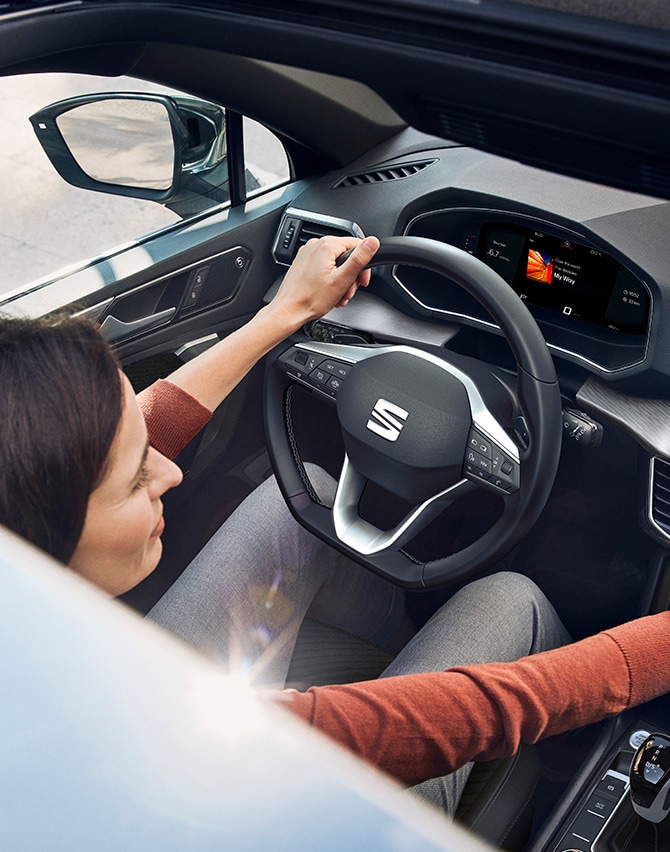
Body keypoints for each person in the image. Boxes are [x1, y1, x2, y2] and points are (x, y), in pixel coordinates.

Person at [3, 234, 666, 817]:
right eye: (136, 479)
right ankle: (565, 768)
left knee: (306, 496)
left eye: (147, 448)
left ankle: (393, 644)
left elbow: (121, 435)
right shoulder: (139, 720)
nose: (168, 471)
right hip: (247, 811)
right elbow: (485, 711)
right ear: (43, 539)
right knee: (506, 599)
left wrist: (288, 312)